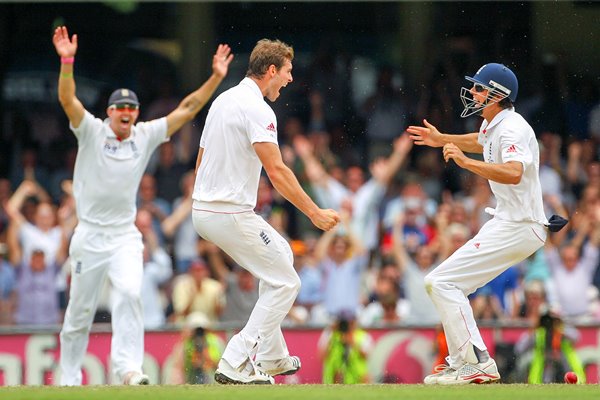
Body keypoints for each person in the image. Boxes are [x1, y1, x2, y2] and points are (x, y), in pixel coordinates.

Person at [52, 25, 233, 386]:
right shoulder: (91, 130)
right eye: (119, 107)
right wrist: (67, 62)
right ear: (109, 112)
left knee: (131, 294)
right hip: (89, 235)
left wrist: (215, 78)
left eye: (131, 108)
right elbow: (68, 101)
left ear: (136, 113)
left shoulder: (145, 135)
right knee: (79, 311)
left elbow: (188, 107)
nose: (126, 112)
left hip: (124, 235)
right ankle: (69, 377)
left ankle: (129, 369)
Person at [191, 38, 340, 385]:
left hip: (208, 210)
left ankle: (272, 356)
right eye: (287, 71)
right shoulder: (258, 108)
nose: (289, 79)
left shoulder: (223, 100)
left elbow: (200, 161)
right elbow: (277, 171)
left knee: (282, 256)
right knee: (288, 282)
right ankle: (236, 358)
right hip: (228, 212)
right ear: (271, 70)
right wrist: (314, 212)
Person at [407, 63, 550, 384]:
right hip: (511, 222)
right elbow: (480, 139)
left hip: (519, 224)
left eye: (479, 88)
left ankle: (476, 362)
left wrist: (466, 162)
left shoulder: (511, 127)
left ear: (498, 95)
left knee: (441, 283)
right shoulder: (496, 125)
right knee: (446, 284)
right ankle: (464, 361)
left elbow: (514, 172)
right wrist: (440, 138)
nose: (472, 92)